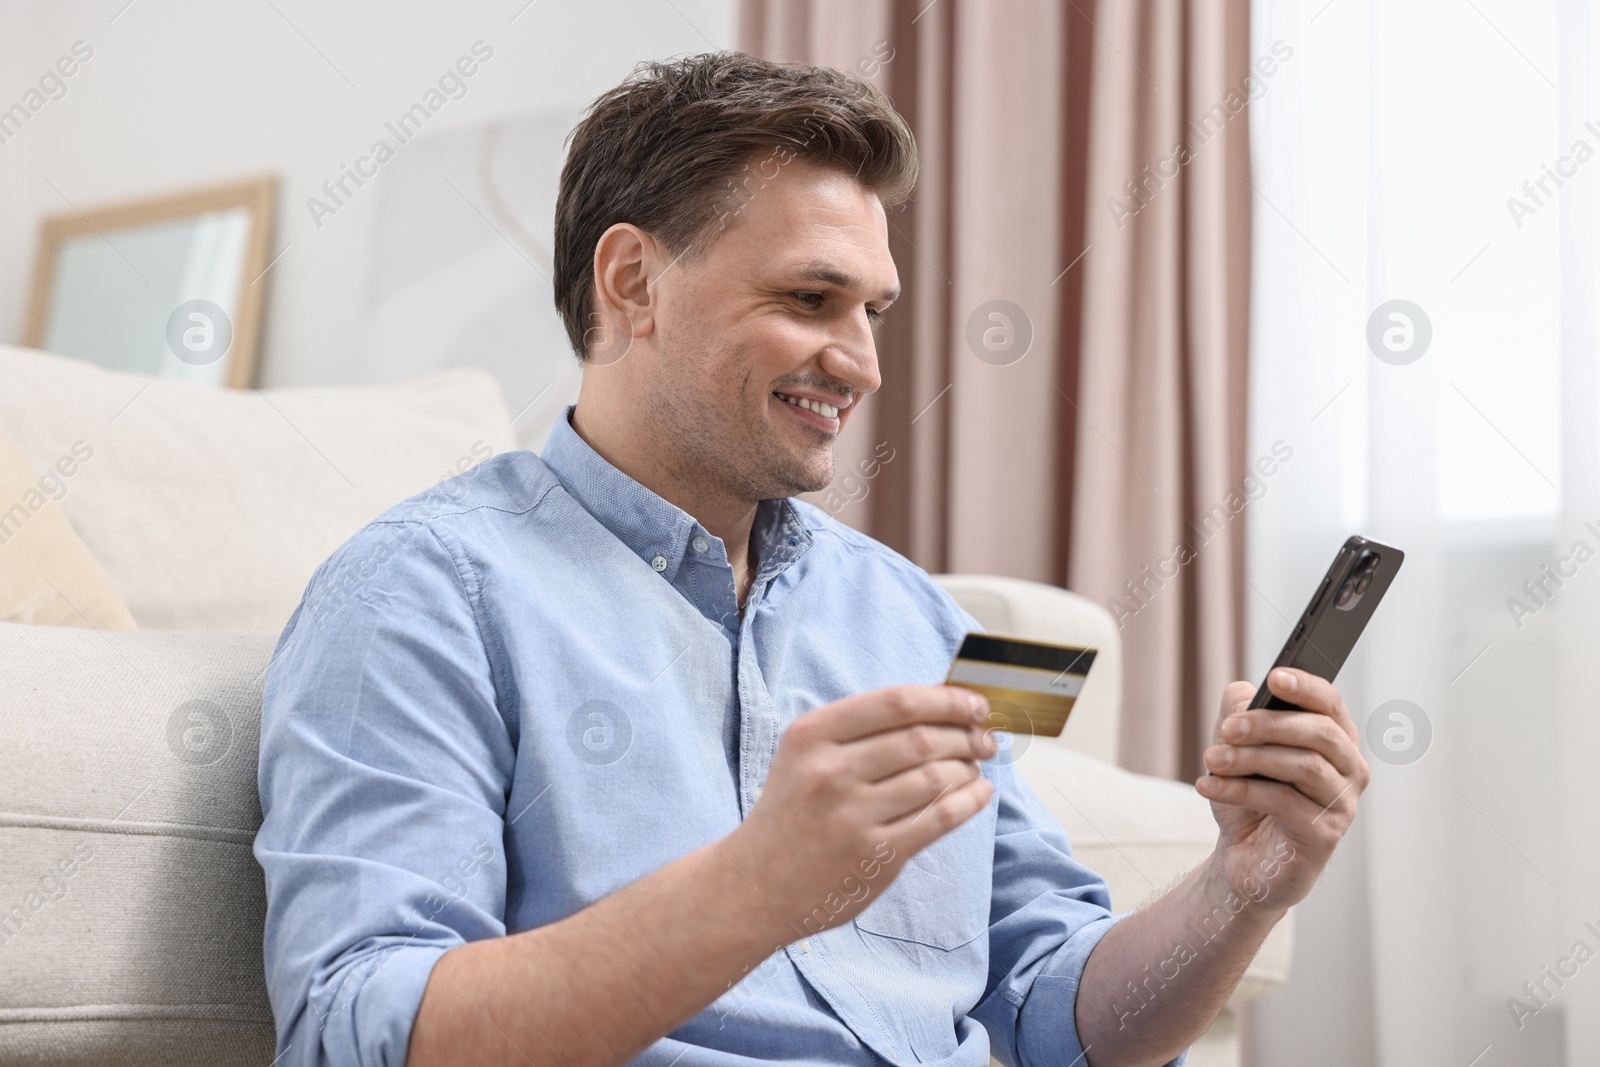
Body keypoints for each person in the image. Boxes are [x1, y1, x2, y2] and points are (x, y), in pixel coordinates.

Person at [254, 50, 1369, 1067]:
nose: (863, 362)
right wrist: (754, 887)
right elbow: (359, 1030)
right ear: (632, 281)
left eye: (872, 309)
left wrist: (1239, 891)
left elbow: (1046, 1008)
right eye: (808, 298)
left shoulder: (921, 618)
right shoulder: (418, 591)